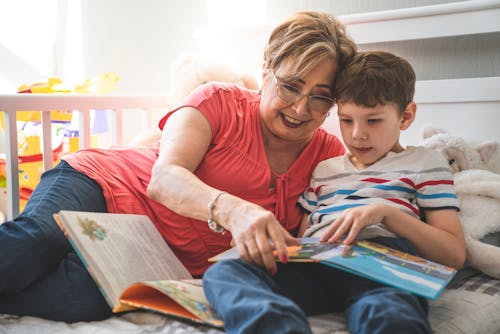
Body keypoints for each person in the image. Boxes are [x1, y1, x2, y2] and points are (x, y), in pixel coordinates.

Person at [0, 11, 356, 322]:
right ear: (265, 70)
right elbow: (164, 178)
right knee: (36, 243)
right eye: (290, 87)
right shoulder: (217, 100)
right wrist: (232, 209)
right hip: (102, 184)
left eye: (320, 97)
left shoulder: (330, 157)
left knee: (84, 297)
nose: (299, 109)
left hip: (151, 254)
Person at [203, 51, 467, 333]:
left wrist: (385, 214)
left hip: (383, 265)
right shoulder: (325, 169)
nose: (357, 135)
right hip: (320, 263)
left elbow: (453, 254)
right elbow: (303, 237)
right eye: (347, 120)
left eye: (373, 121)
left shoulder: (425, 164)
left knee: (386, 311)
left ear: (406, 116)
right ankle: (279, 326)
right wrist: (267, 244)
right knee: (224, 273)